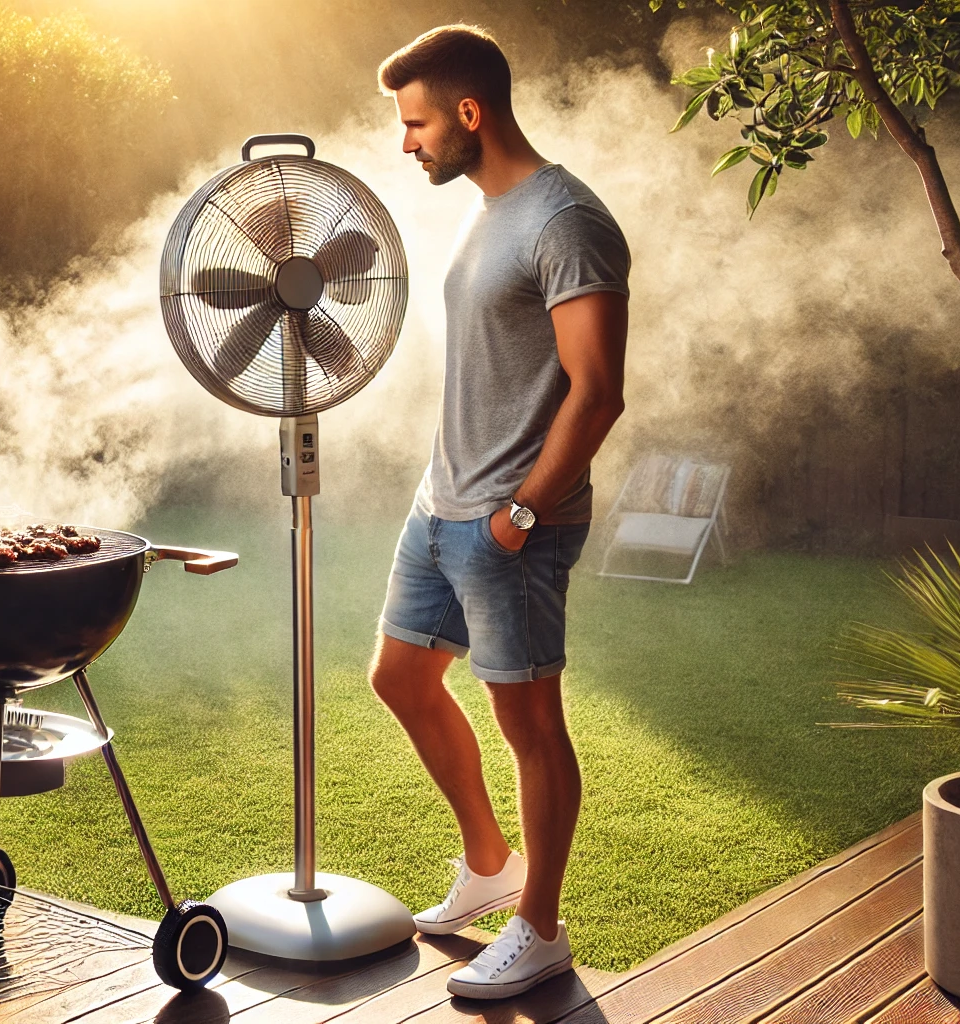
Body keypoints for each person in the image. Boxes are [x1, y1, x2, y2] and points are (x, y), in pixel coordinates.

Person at [372, 24, 630, 1001]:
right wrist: (453, 496)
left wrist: (521, 512)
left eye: (418, 123)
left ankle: (540, 925)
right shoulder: (490, 211)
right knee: (400, 676)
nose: (409, 144)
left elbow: (595, 388)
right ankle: (490, 863)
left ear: (470, 114)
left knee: (529, 721)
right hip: (440, 506)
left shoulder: (565, 220)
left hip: (512, 522)